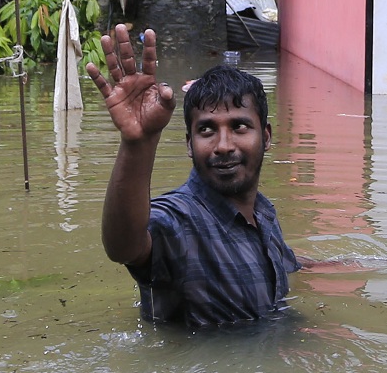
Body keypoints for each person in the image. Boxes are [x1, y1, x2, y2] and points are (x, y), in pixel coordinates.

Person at [87, 24, 301, 327]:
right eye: (207, 130)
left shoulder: (263, 212)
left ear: (265, 137)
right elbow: (124, 246)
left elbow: (284, 265)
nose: (223, 146)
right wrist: (137, 144)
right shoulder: (179, 221)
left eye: (239, 126)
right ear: (189, 144)